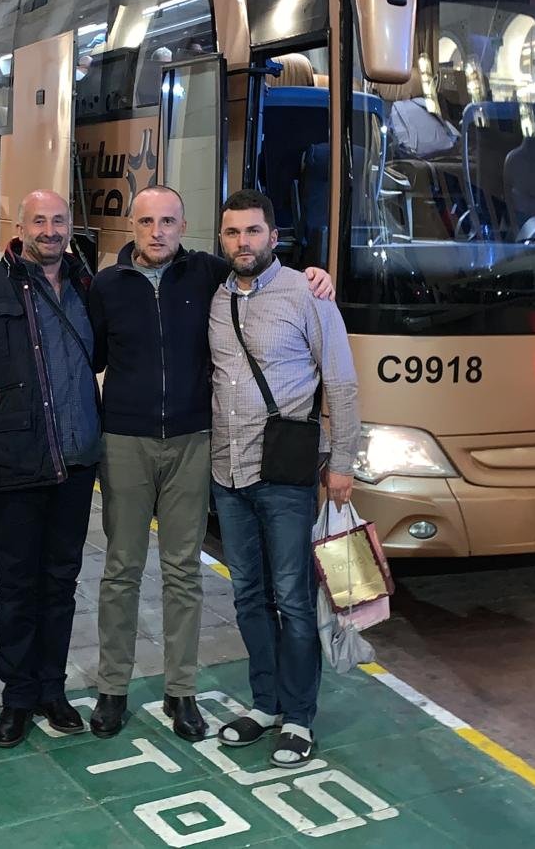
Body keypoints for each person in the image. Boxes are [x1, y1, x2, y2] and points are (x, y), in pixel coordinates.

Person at [84, 186, 334, 742]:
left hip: (195, 442)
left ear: (184, 225)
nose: (157, 232)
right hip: (124, 440)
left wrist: (316, 276)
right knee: (121, 570)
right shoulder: (106, 286)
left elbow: (263, 272)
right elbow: (90, 357)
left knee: (183, 572)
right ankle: (112, 688)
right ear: (131, 226)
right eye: (146, 221)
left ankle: (182, 692)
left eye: (168, 221)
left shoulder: (208, 276)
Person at [206, 189, 359, 768]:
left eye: (252, 231)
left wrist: (342, 462)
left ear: (274, 236)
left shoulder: (307, 294)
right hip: (227, 472)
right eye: (232, 232)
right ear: (221, 239)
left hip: (286, 474)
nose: (242, 242)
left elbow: (341, 383)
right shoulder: (216, 295)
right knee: (248, 595)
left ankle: (298, 716)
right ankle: (265, 704)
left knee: (293, 600)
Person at [0, 189, 100, 748]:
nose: (50, 230)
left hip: (77, 463)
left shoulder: (87, 283)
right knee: (15, 587)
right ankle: (17, 697)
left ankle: (51, 690)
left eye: (59, 220)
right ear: (20, 226)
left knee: (60, 584)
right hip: (17, 463)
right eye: (39, 221)